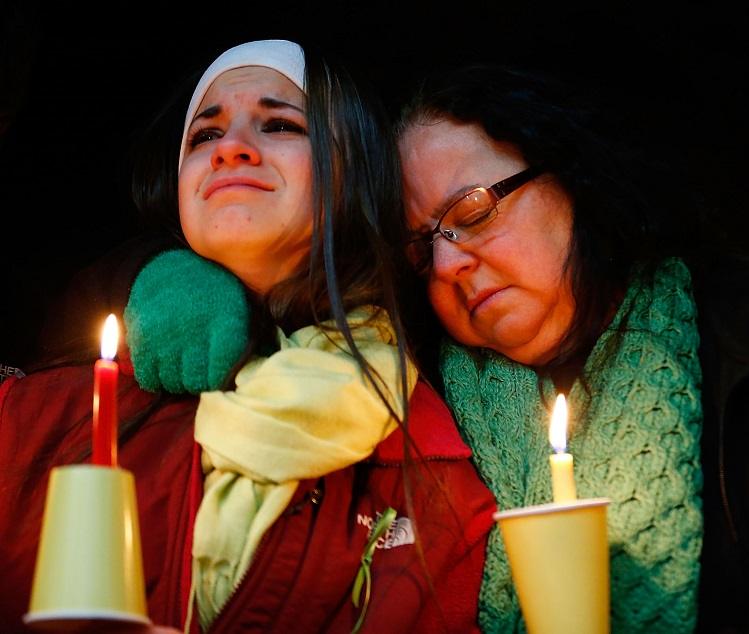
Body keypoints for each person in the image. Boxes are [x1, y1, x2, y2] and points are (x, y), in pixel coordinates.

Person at [391, 63, 749, 632]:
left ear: (570, 178)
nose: (447, 264)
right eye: (420, 250)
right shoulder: (422, 427)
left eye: (473, 210)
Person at [0, 39, 495, 633]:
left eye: (280, 124)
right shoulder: (44, 407)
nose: (230, 149)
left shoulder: (432, 479)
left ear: (354, 171)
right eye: (204, 136)